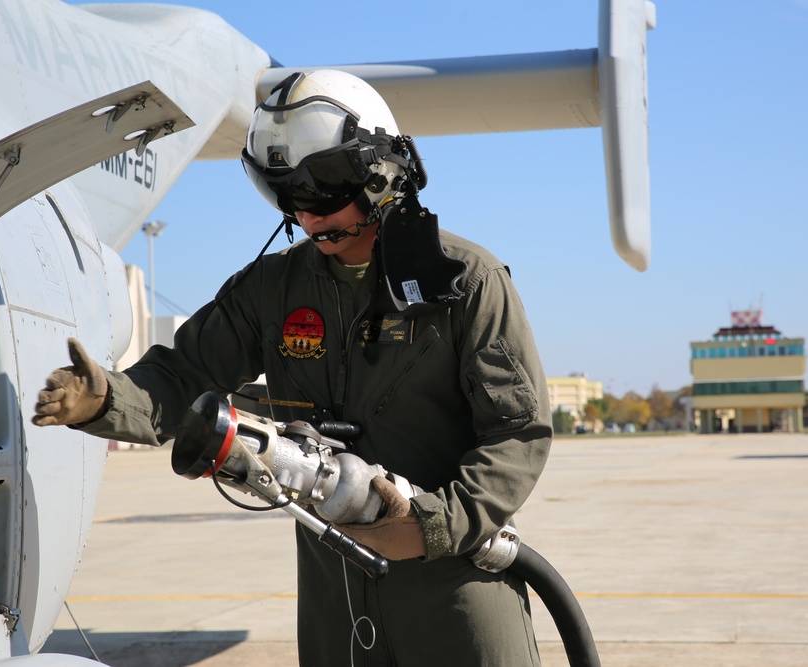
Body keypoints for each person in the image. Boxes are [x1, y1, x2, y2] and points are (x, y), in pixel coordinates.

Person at [34, 69, 552, 666]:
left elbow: (517, 435)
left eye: (323, 191)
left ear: (380, 172)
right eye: (289, 196)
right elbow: (182, 378)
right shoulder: (272, 291)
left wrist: (431, 526)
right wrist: (106, 400)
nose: (307, 217)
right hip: (337, 600)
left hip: (454, 590)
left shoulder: (465, 282)